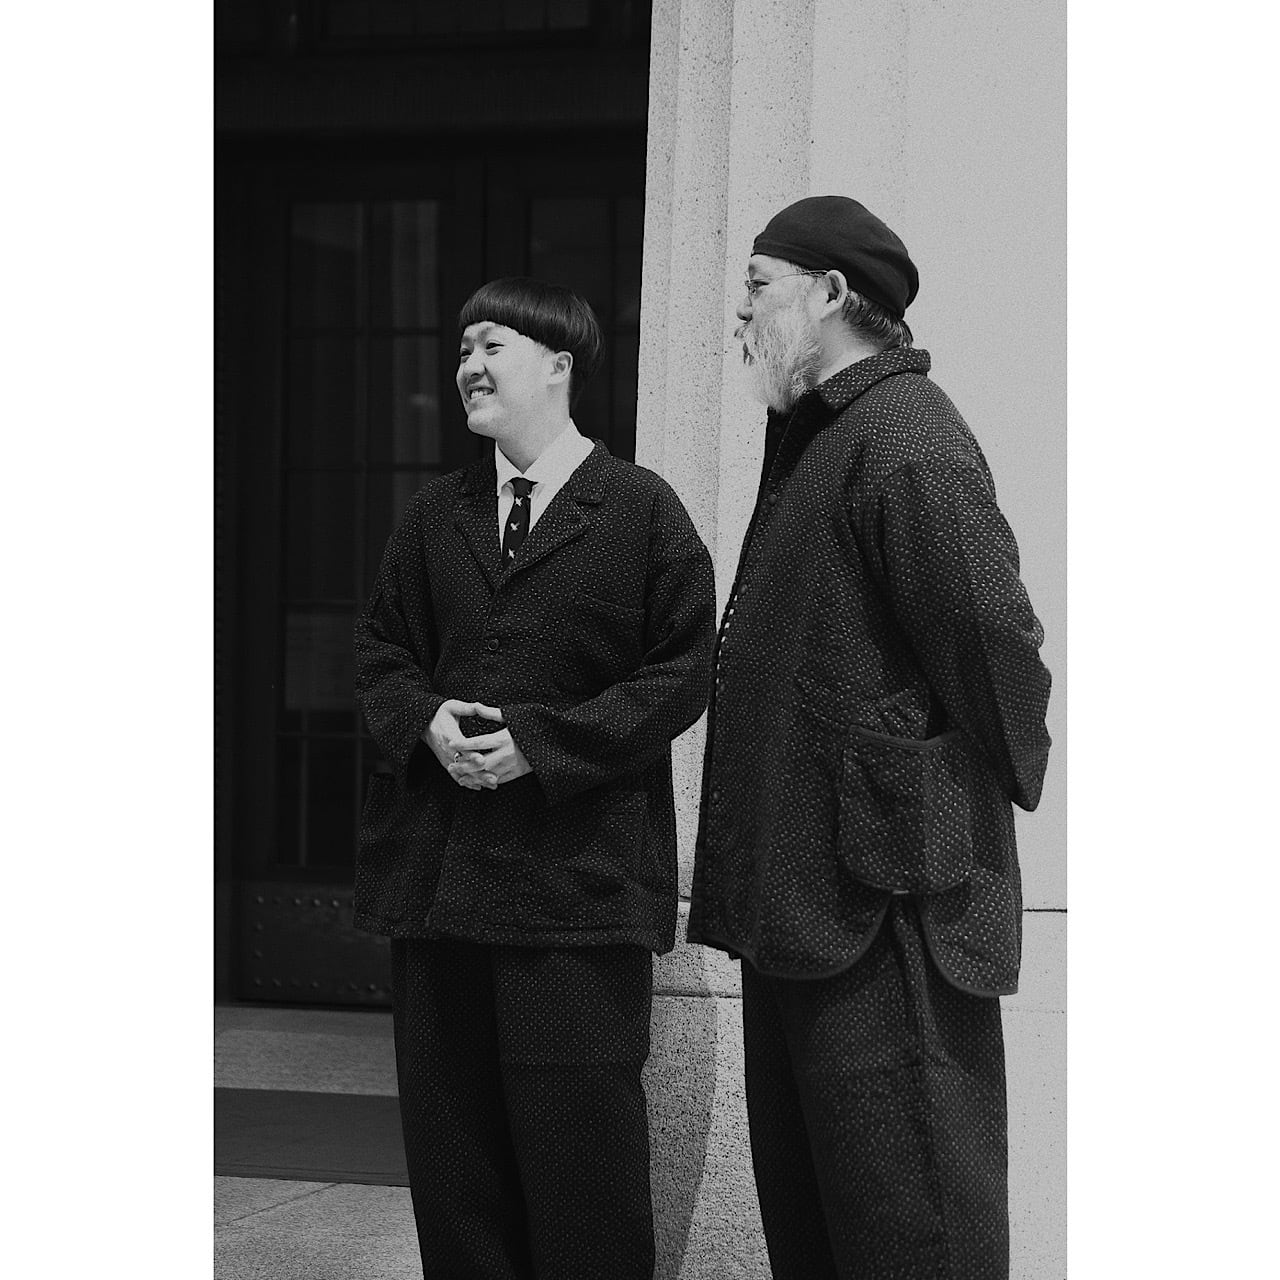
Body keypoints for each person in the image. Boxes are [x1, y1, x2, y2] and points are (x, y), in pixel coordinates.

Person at [687, 196, 1052, 1280]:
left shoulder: (903, 432)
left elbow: (994, 642)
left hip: (887, 906)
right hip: (809, 904)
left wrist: (939, 781)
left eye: (758, 284)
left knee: (914, 1234)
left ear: (832, 293)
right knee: (821, 1235)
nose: (740, 311)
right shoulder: (823, 435)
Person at [354, 276, 715, 1280]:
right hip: (440, 890)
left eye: (492, 346)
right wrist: (424, 719)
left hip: (577, 896)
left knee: (583, 1172)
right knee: (455, 1171)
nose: (468, 366)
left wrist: (540, 745)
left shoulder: (639, 510)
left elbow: (685, 671)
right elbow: (380, 652)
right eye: (463, 348)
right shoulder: (436, 514)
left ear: (558, 365)